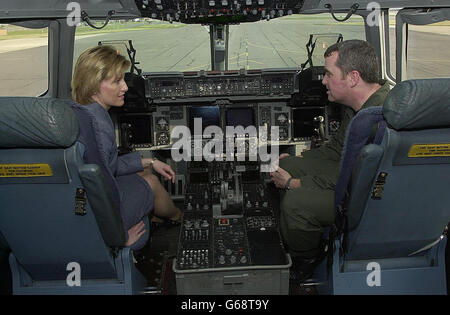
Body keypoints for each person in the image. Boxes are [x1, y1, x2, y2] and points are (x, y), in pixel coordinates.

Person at [270, 40, 390, 276]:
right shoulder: (357, 108)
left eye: (328, 74)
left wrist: (294, 184)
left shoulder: (378, 119)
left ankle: (306, 260)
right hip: (354, 179)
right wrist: (300, 159)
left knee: (296, 204)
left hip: (368, 198)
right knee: (285, 163)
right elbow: (337, 151)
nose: (323, 81)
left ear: (353, 78)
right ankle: (290, 232)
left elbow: (350, 178)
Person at [71, 45, 182, 250]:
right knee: (150, 181)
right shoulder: (98, 125)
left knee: (146, 170)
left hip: (82, 199)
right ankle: (178, 217)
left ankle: (156, 217)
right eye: (117, 81)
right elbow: (102, 184)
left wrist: (150, 161)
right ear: (94, 85)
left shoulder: (81, 113)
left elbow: (107, 166)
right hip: (99, 210)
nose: (125, 87)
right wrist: (118, 237)